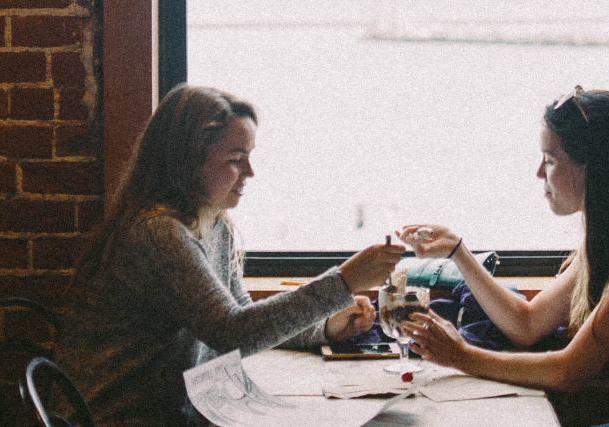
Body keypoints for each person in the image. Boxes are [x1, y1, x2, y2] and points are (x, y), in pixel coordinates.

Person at [397, 87, 609, 426]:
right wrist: (459, 252)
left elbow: (569, 372)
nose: (538, 172)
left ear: (592, 167)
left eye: (549, 159)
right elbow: (528, 324)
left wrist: (462, 356)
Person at [57, 84, 404, 425]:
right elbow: (232, 333)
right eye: (236, 160)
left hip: (182, 410)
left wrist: (325, 328)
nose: (250, 172)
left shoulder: (213, 222)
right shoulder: (159, 233)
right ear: (187, 162)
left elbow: (243, 316)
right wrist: (345, 281)